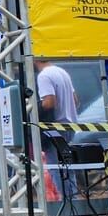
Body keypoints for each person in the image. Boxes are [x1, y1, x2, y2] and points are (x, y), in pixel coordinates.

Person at [33, 57, 79, 201]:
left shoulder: (44, 76)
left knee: (55, 167)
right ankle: (73, 200)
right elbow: (76, 100)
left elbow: (49, 102)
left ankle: (64, 203)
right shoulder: (62, 72)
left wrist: (32, 108)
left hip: (55, 126)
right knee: (67, 166)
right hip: (70, 125)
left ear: (34, 60)